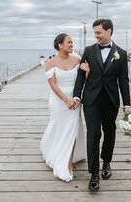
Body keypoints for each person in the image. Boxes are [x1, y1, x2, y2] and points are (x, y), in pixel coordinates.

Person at [73, 19, 131, 191]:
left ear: (109, 31)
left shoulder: (121, 53)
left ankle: (106, 162)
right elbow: (80, 76)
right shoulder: (89, 51)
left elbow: (123, 80)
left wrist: (127, 104)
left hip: (111, 101)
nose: (96, 36)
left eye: (98, 32)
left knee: (109, 132)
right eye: (94, 33)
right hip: (91, 100)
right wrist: (77, 96)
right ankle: (94, 174)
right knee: (93, 134)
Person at [41, 33, 89, 182]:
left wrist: (87, 71)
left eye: (72, 42)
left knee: (72, 130)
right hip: (58, 101)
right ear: (60, 45)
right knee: (59, 127)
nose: (72, 44)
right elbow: (53, 85)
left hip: (75, 100)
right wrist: (65, 100)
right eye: (69, 42)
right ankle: (54, 152)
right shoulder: (51, 63)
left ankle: (68, 163)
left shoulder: (77, 60)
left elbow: (82, 80)